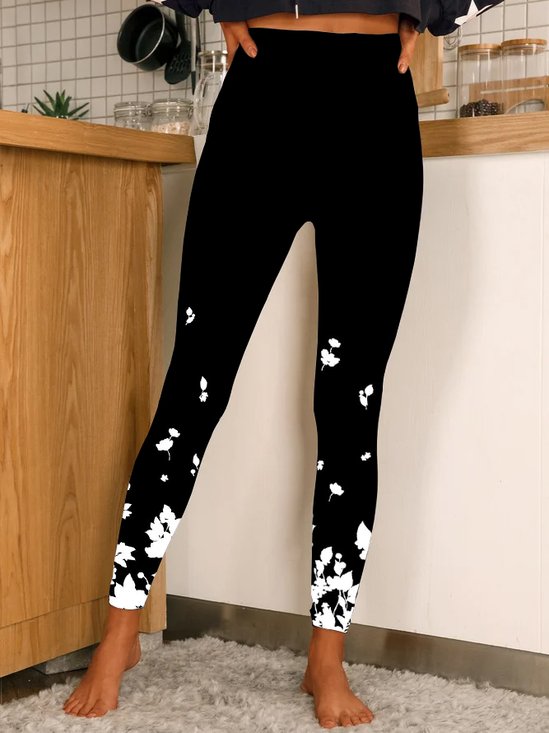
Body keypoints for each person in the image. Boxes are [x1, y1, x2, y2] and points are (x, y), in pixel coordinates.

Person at [63, 0, 503, 728]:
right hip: (263, 88)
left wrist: (431, 10)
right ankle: (121, 626)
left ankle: (327, 653)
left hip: (376, 100)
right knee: (193, 388)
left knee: (351, 401)